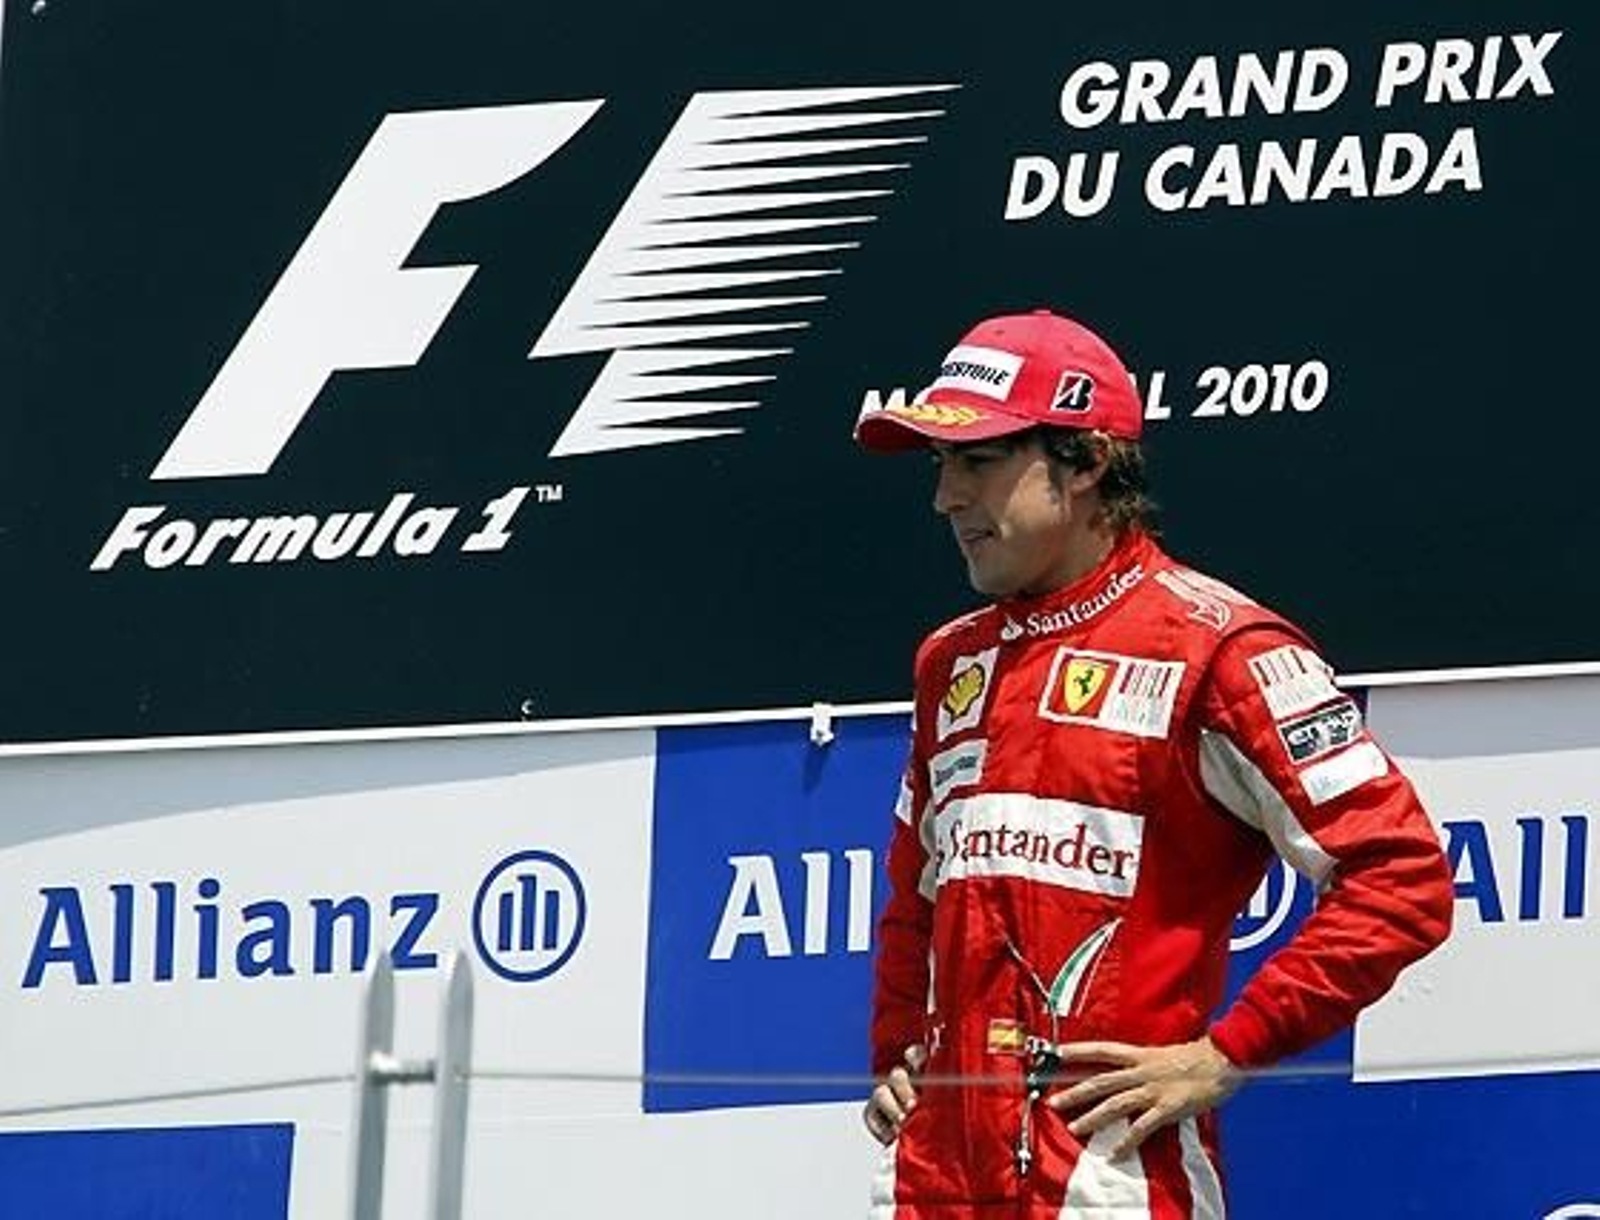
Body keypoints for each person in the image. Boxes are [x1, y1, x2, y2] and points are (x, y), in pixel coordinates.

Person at [853, 310, 1453, 1217]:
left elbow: (1401, 878)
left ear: (1087, 462)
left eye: (976, 462)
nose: (944, 497)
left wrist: (1228, 1050)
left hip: (1112, 1181)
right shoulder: (952, 661)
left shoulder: (1223, 651)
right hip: (937, 1177)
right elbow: (919, 891)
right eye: (939, 466)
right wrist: (898, 1045)